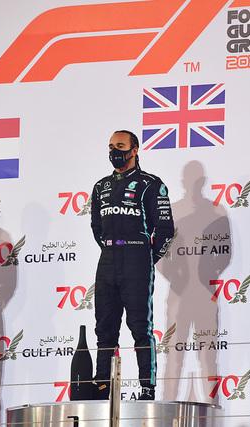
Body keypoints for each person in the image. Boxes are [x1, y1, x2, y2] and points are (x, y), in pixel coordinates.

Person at [90, 130, 175, 400]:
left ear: (134, 149)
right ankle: (102, 386)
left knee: (140, 327)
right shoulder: (100, 186)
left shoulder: (151, 184)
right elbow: (96, 228)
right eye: (110, 147)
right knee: (104, 328)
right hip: (108, 260)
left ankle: (147, 389)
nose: (114, 151)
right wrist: (112, 249)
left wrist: (146, 257)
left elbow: (165, 229)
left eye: (120, 146)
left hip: (136, 260)